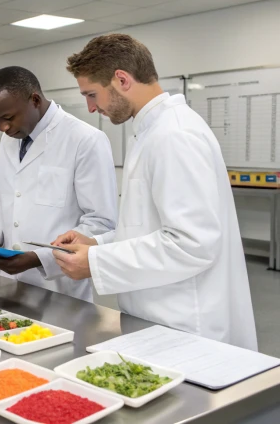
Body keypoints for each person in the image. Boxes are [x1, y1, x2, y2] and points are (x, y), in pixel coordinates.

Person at [51, 34, 258, 350]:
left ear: (121, 79)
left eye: (92, 94)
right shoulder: (151, 132)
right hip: (156, 315)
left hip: (185, 323)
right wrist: (96, 242)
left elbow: (192, 243)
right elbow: (149, 228)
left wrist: (97, 261)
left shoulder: (174, 135)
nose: (91, 108)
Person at [0, 66, 118, 301]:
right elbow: (10, 205)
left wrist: (39, 258)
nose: (3, 128)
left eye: (7, 118)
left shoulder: (85, 139)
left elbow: (101, 223)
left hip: (60, 288)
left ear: (35, 100)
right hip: (7, 284)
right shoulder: (10, 139)